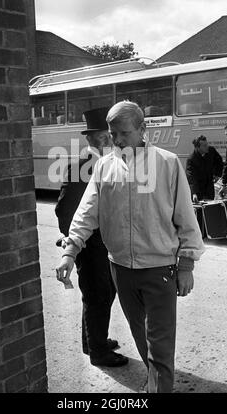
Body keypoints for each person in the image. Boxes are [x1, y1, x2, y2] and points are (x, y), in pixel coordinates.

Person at [56, 101, 205, 393]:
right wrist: (70, 251)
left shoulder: (166, 163)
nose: (117, 140)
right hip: (120, 270)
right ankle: (155, 381)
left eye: (124, 133)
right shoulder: (103, 165)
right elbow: (87, 213)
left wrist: (186, 265)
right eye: (113, 134)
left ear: (142, 129)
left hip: (160, 269)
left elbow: (186, 217)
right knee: (141, 337)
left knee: (160, 346)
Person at [55, 106, 128, 367]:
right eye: (104, 136)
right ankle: (98, 352)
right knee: (97, 296)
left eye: (109, 135)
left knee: (104, 294)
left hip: (104, 244)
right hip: (89, 246)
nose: (110, 140)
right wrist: (75, 243)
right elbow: (64, 209)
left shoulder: (111, 163)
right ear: (93, 140)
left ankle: (93, 341)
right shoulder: (82, 166)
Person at [186, 135, 223, 202]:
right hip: (199, 189)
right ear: (197, 147)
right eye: (204, 146)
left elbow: (219, 161)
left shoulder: (211, 151)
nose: (207, 147)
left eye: (207, 144)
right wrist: (194, 193)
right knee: (200, 209)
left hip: (209, 186)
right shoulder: (191, 159)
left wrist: (217, 174)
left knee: (210, 206)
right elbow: (191, 177)